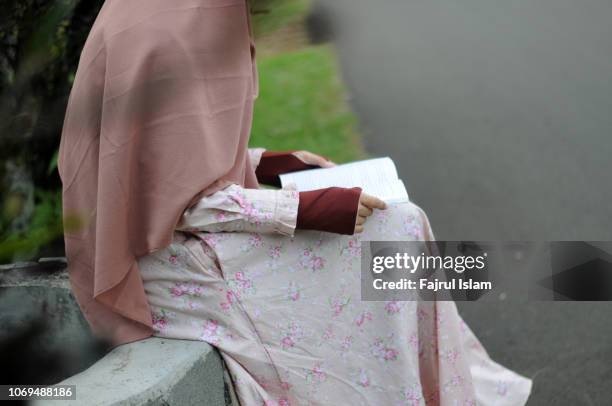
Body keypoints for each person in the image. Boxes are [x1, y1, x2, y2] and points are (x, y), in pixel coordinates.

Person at [57, 0, 532, 404]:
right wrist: (305, 209)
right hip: (170, 262)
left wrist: (270, 163)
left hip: (197, 236)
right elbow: (167, 202)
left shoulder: (190, 11)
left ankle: (438, 389)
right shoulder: (170, 27)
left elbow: (168, 154)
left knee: (396, 227)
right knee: (394, 233)